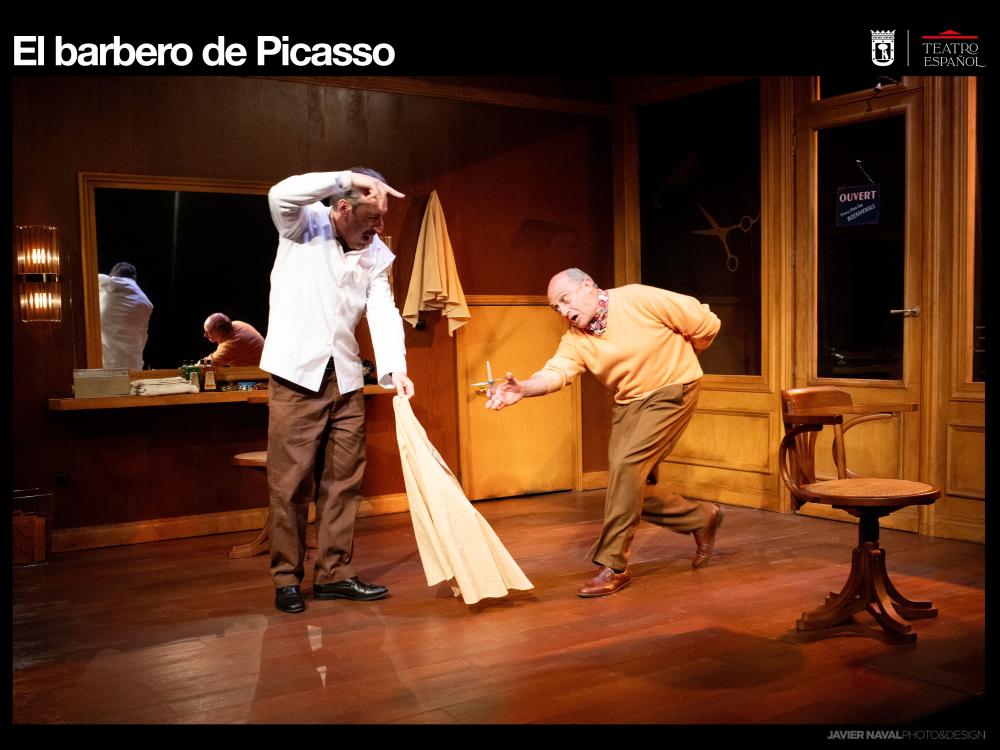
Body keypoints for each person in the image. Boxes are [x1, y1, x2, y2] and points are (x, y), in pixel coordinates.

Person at [486, 269, 724, 597]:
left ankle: (614, 566)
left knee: (627, 468)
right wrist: (524, 388)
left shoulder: (637, 298)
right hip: (629, 402)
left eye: (565, 300)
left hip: (673, 388)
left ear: (588, 286)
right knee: (629, 485)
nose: (563, 311)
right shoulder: (576, 339)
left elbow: (705, 323)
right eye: (556, 308)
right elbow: (557, 372)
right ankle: (700, 517)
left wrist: (687, 355)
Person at [260, 168, 414, 614]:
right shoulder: (302, 224)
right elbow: (280, 192)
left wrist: (396, 368)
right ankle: (287, 579)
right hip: (296, 376)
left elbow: (382, 309)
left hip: (346, 377)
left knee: (344, 480)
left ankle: (334, 573)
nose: (378, 227)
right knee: (290, 483)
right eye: (372, 217)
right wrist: (346, 176)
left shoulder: (375, 252)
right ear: (343, 207)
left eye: (382, 219)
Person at [98, 261, 153, 370]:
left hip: (107, 365)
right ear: (134, 278)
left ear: (113, 276)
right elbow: (142, 337)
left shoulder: (107, 282)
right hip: (134, 366)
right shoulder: (146, 303)